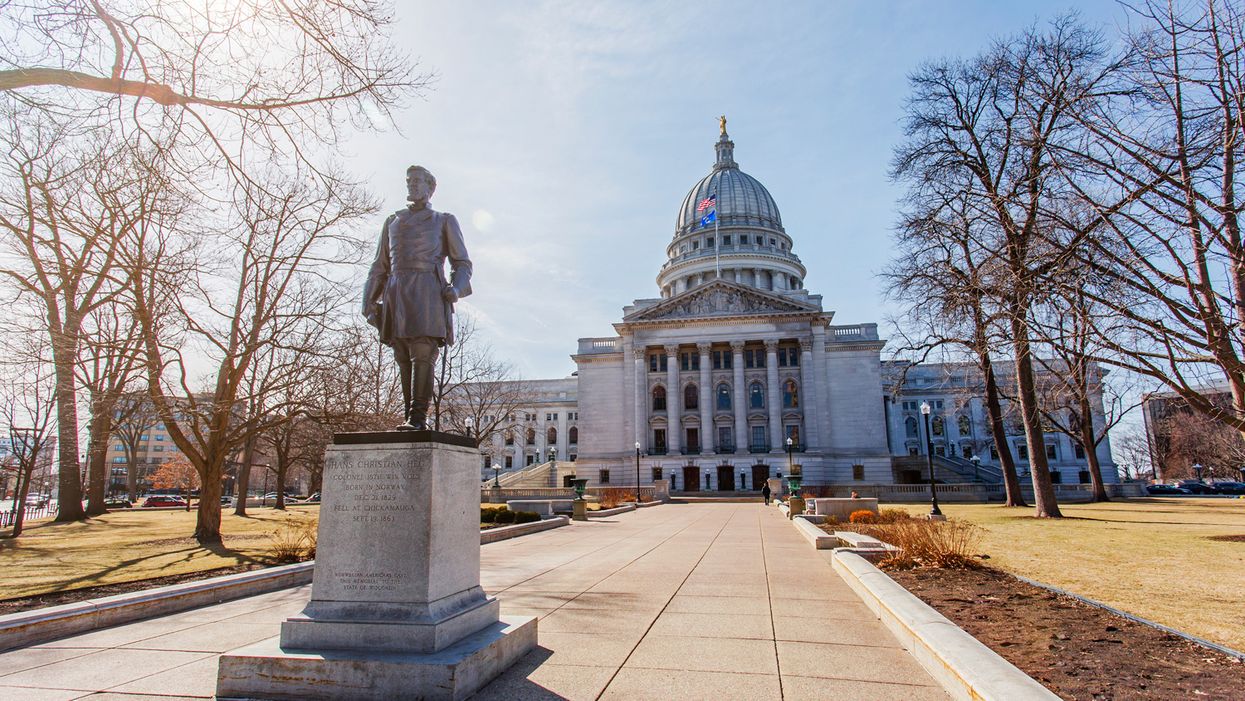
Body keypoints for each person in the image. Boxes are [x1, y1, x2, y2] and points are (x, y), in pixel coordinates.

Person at [362, 165, 472, 430]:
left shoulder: (443, 220)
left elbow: (462, 263)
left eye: (417, 181)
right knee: (402, 355)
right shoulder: (392, 221)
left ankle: (417, 417)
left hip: (428, 292)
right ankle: (409, 417)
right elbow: (380, 265)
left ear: (430, 187)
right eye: (409, 180)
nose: (412, 185)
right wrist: (368, 301)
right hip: (396, 293)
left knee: (422, 353)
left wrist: (456, 289)